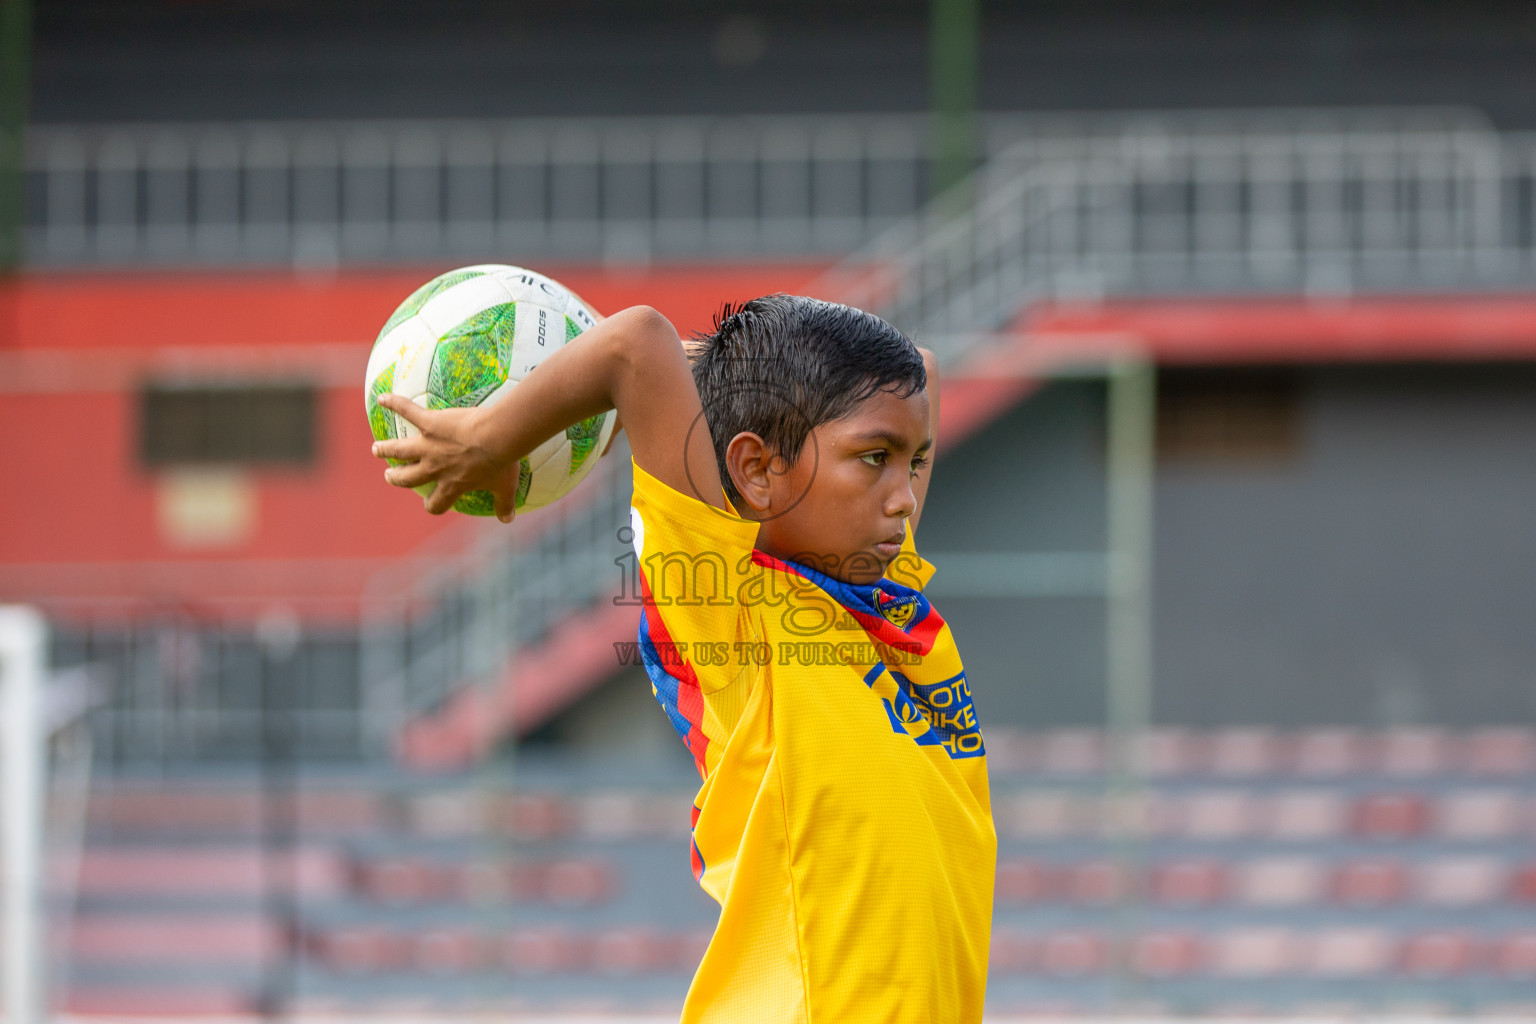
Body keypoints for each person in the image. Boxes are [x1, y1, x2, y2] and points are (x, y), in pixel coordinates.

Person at [372, 294, 996, 1023]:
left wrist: (742, 378)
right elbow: (636, 347)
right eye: (875, 460)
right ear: (756, 470)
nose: (905, 499)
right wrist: (492, 435)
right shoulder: (730, 609)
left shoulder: (880, 583)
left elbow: (919, 371)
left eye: (913, 464)